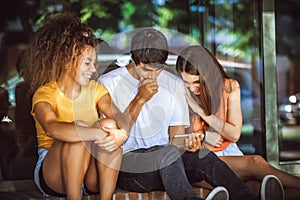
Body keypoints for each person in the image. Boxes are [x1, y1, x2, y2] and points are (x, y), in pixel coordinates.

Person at [98, 28, 283, 200]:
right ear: (133, 59)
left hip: (168, 162)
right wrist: (140, 99)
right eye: (146, 69)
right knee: (168, 154)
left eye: (158, 69)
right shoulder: (108, 83)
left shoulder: (173, 84)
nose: (152, 76)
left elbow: (175, 139)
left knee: (203, 157)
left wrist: (188, 143)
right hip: (130, 166)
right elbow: (115, 136)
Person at [26, 13, 150, 200]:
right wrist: (96, 134)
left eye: (94, 63)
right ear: (67, 62)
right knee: (80, 128)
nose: (93, 69)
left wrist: (120, 134)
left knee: (110, 125)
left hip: (90, 173)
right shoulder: (45, 93)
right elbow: (52, 128)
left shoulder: (96, 89)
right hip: (54, 175)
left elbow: (120, 118)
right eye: (87, 63)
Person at [176, 45, 299, 199]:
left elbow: (234, 134)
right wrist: (205, 136)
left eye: (197, 82)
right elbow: (176, 140)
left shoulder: (229, 87)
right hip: (203, 161)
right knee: (256, 163)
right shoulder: (180, 95)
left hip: (230, 152)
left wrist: (202, 113)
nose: (193, 89)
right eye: (187, 83)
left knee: (263, 186)